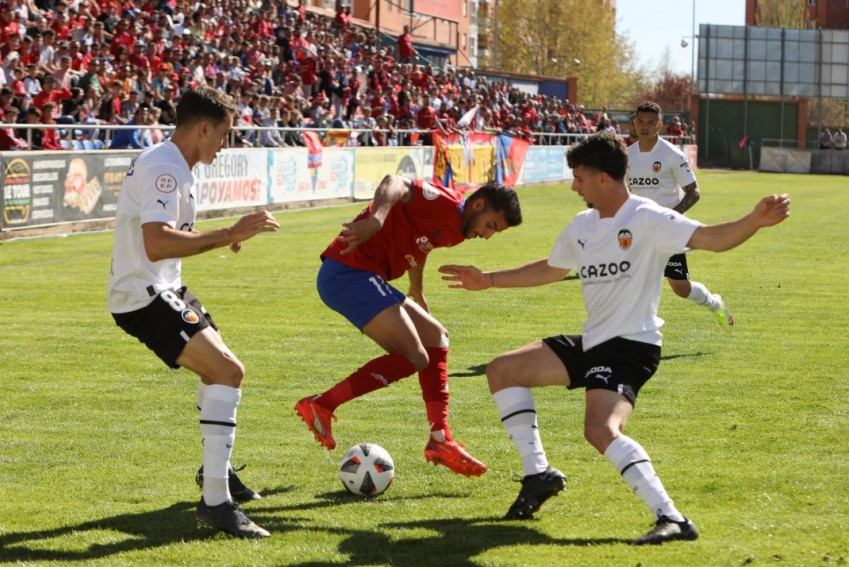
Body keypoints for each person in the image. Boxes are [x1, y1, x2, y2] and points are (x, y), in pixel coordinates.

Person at [439, 132, 790, 544]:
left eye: (579, 178)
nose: (574, 186)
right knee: (503, 370)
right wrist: (489, 280)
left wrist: (754, 220)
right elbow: (552, 268)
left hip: (630, 346)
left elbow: (711, 238)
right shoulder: (582, 225)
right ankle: (538, 475)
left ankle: (672, 518)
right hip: (595, 341)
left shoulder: (647, 217)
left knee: (600, 428)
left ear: (603, 178)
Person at [107, 86, 280, 539]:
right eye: (223, 135)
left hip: (165, 286)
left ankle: (215, 476)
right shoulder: (165, 168)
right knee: (227, 370)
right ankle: (216, 503)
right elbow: (157, 241)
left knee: (219, 369)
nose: (224, 146)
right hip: (142, 294)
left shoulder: (173, 162)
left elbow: (169, 235)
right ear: (203, 127)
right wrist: (228, 233)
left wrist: (225, 234)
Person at [294, 174, 523, 477]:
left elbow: (420, 246)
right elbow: (395, 183)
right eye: (491, 225)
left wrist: (417, 289)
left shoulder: (458, 230)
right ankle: (322, 404)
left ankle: (440, 439)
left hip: (365, 276)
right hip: (347, 272)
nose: (488, 235)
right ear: (478, 204)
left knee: (436, 336)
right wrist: (376, 218)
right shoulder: (447, 203)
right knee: (415, 356)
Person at [627, 101, 733, 326]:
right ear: (634, 124)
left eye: (650, 123)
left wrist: (670, 217)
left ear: (659, 126)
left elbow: (694, 192)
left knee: (681, 288)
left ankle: (715, 303)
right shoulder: (626, 156)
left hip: (667, 231)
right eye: (640, 122)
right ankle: (641, 327)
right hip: (638, 230)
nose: (644, 127)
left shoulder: (672, 155)